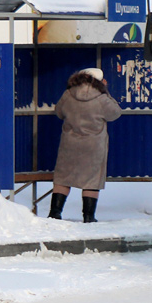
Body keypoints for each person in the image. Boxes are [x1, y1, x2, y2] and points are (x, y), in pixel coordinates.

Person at [49, 67, 121, 222]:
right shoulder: (101, 98)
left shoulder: (68, 94)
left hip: (70, 143)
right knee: (92, 179)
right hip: (93, 145)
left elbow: (59, 112)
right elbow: (115, 113)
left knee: (63, 177)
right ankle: (88, 216)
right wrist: (106, 91)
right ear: (100, 81)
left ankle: (55, 213)